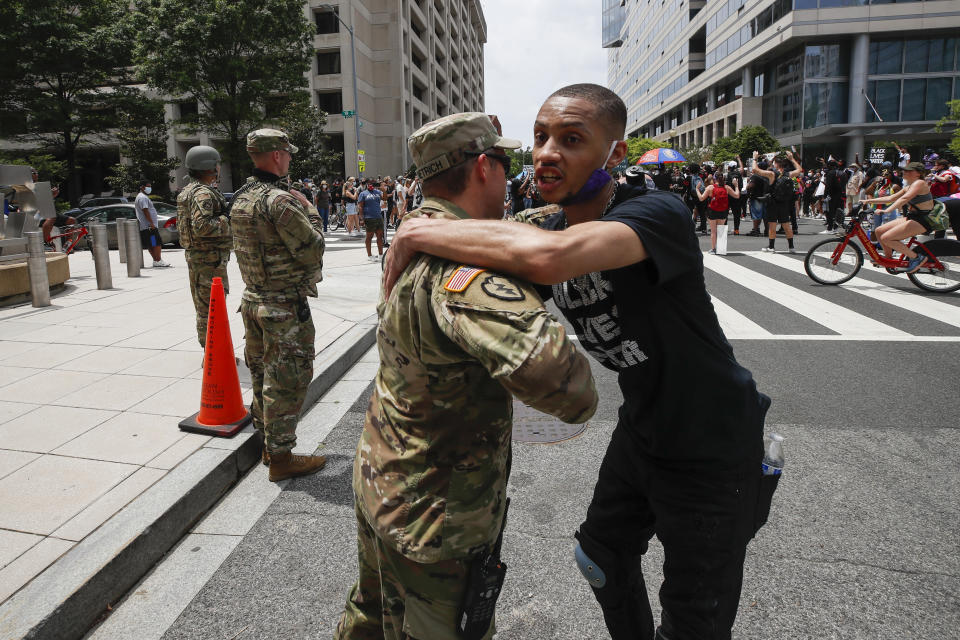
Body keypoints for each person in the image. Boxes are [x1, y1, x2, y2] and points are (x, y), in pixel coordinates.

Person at [383, 84, 775, 640]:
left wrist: (422, 228)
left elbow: (549, 260)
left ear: (614, 153)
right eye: (541, 137)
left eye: (572, 140)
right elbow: (511, 247)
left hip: (712, 439)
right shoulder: (550, 222)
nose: (546, 152)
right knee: (599, 558)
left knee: (695, 618)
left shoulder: (653, 212)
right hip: (643, 428)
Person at [335, 112, 598, 640]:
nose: (511, 178)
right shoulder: (467, 272)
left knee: (370, 616)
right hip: (435, 515)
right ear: (484, 168)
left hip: (382, 477)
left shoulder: (415, 236)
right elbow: (572, 394)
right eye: (505, 165)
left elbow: (516, 227)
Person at [230, 128, 327, 481]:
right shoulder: (280, 201)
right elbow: (313, 246)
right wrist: (311, 209)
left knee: (260, 375)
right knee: (286, 379)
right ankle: (282, 457)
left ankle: (269, 446)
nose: (289, 158)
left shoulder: (241, 198)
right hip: (283, 307)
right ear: (276, 155)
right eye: (287, 153)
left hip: (253, 301)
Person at [177, 145, 232, 347]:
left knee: (204, 308)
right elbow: (202, 226)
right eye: (216, 165)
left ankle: (210, 352)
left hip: (200, 259)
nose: (218, 168)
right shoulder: (203, 194)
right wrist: (227, 219)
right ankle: (215, 355)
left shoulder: (188, 191)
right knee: (213, 308)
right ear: (209, 167)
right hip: (209, 261)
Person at [862, 161, 949, 272]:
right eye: (904, 170)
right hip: (912, 217)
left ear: (918, 173)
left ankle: (917, 258)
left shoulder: (920, 183)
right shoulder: (909, 186)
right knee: (879, 231)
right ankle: (888, 260)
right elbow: (890, 198)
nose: (904, 172)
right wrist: (868, 200)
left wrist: (886, 211)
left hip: (924, 220)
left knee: (886, 238)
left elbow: (904, 199)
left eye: (908, 170)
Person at [752, 150, 802, 252]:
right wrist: (792, 159)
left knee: (772, 225)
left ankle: (771, 246)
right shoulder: (788, 174)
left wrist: (754, 158)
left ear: (776, 164)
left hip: (773, 203)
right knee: (787, 225)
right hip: (784, 203)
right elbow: (799, 169)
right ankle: (791, 247)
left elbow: (755, 169)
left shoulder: (772, 174)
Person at [697, 171, 739, 254]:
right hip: (723, 211)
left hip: (712, 211)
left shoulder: (710, 187)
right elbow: (737, 195)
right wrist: (736, 186)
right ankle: (721, 249)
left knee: (713, 231)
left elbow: (701, 198)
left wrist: (697, 189)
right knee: (721, 230)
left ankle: (713, 249)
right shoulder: (726, 187)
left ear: (714, 178)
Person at [134, 180, 170, 268]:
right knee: (156, 243)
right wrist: (151, 223)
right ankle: (158, 260)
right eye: (148, 186)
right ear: (142, 187)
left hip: (147, 227)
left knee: (152, 243)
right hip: (150, 227)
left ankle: (156, 260)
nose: (149, 188)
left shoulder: (141, 197)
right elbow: (145, 211)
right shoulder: (142, 198)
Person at [357, 178, 384, 261]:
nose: (370, 185)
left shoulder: (378, 192)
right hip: (369, 217)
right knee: (369, 236)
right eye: (369, 183)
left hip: (378, 216)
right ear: (366, 184)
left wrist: (383, 190)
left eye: (372, 183)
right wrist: (361, 219)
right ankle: (369, 255)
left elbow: (385, 198)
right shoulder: (363, 194)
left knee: (380, 236)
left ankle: (381, 255)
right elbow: (360, 206)